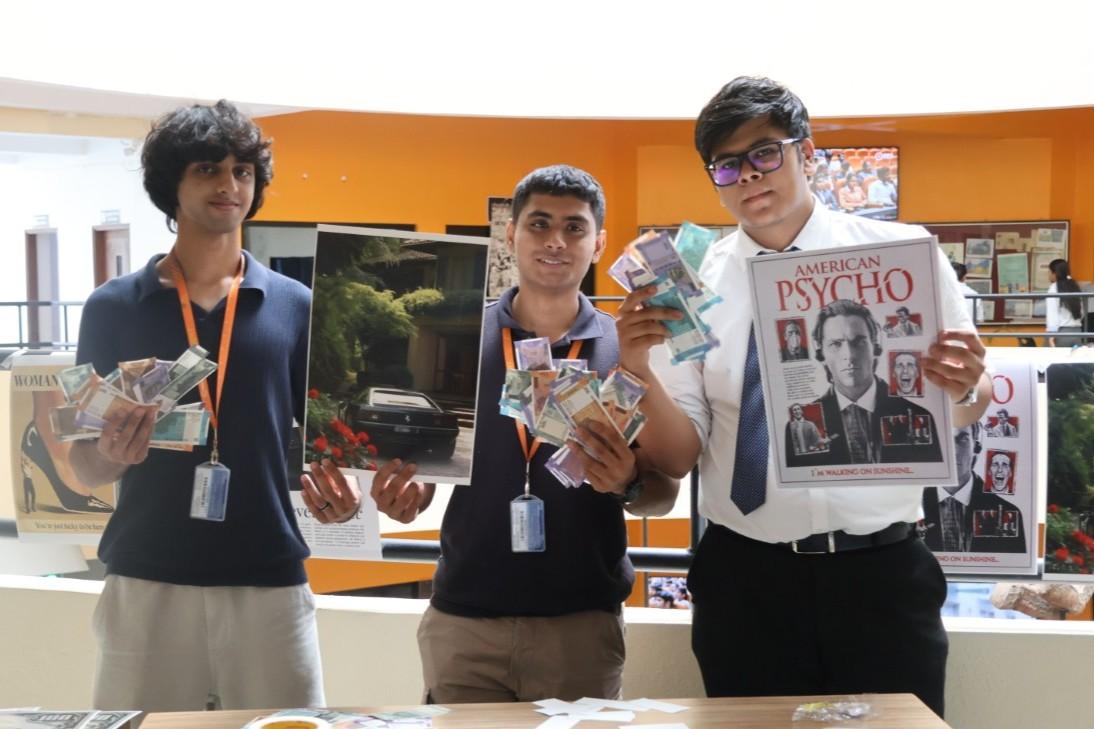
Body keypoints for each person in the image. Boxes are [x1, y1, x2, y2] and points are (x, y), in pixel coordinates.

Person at [615, 76, 988, 717]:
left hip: (881, 575)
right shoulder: (690, 287)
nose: (748, 176)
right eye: (727, 165)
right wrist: (637, 367)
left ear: (807, 153)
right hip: (747, 580)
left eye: (765, 153)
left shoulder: (901, 254)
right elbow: (678, 456)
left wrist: (967, 385)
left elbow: (968, 404)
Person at [314, 165, 678, 703]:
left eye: (574, 227)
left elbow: (663, 493)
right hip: (464, 623)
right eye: (539, 224)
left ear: (599, 243)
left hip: (580, 627)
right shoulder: (469, 337)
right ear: (510, 234)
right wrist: (408, 497)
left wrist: (628, 483)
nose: (555, 241)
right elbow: (431, 478)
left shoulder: (628, 348)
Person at [70, 100, 350, 713]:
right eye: (207, 169)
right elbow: (83, 468)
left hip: (268, 575)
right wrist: (112, 455)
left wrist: (340, 496)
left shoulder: (295, 304)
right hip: (146, 574)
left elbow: (326, 440)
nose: (229, 185)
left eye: (242, 171)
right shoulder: (112, 307)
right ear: (170, 185)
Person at [801, 301, 940, 466]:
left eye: (859, 342)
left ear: (875, 347)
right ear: (821, 354)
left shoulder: (919, 417)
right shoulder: (800, 427)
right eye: (835, 344)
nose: (849, 355)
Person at [922, 422, 1026, 554]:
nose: (953, 451)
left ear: (976, 447)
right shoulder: (910, 510)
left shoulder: (1008, 513)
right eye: (943, 439)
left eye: (963, 439)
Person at [1046, 258, 1083, 347]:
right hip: (1077, 332)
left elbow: (1052, 314)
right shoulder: (1075, 286)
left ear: (1054, 273)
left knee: (1046, 354)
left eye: (1049, 272)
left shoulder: (1054, 288)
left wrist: (1051, 334)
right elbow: (1082, 311)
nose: (1048, 275)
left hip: (1061, 333)